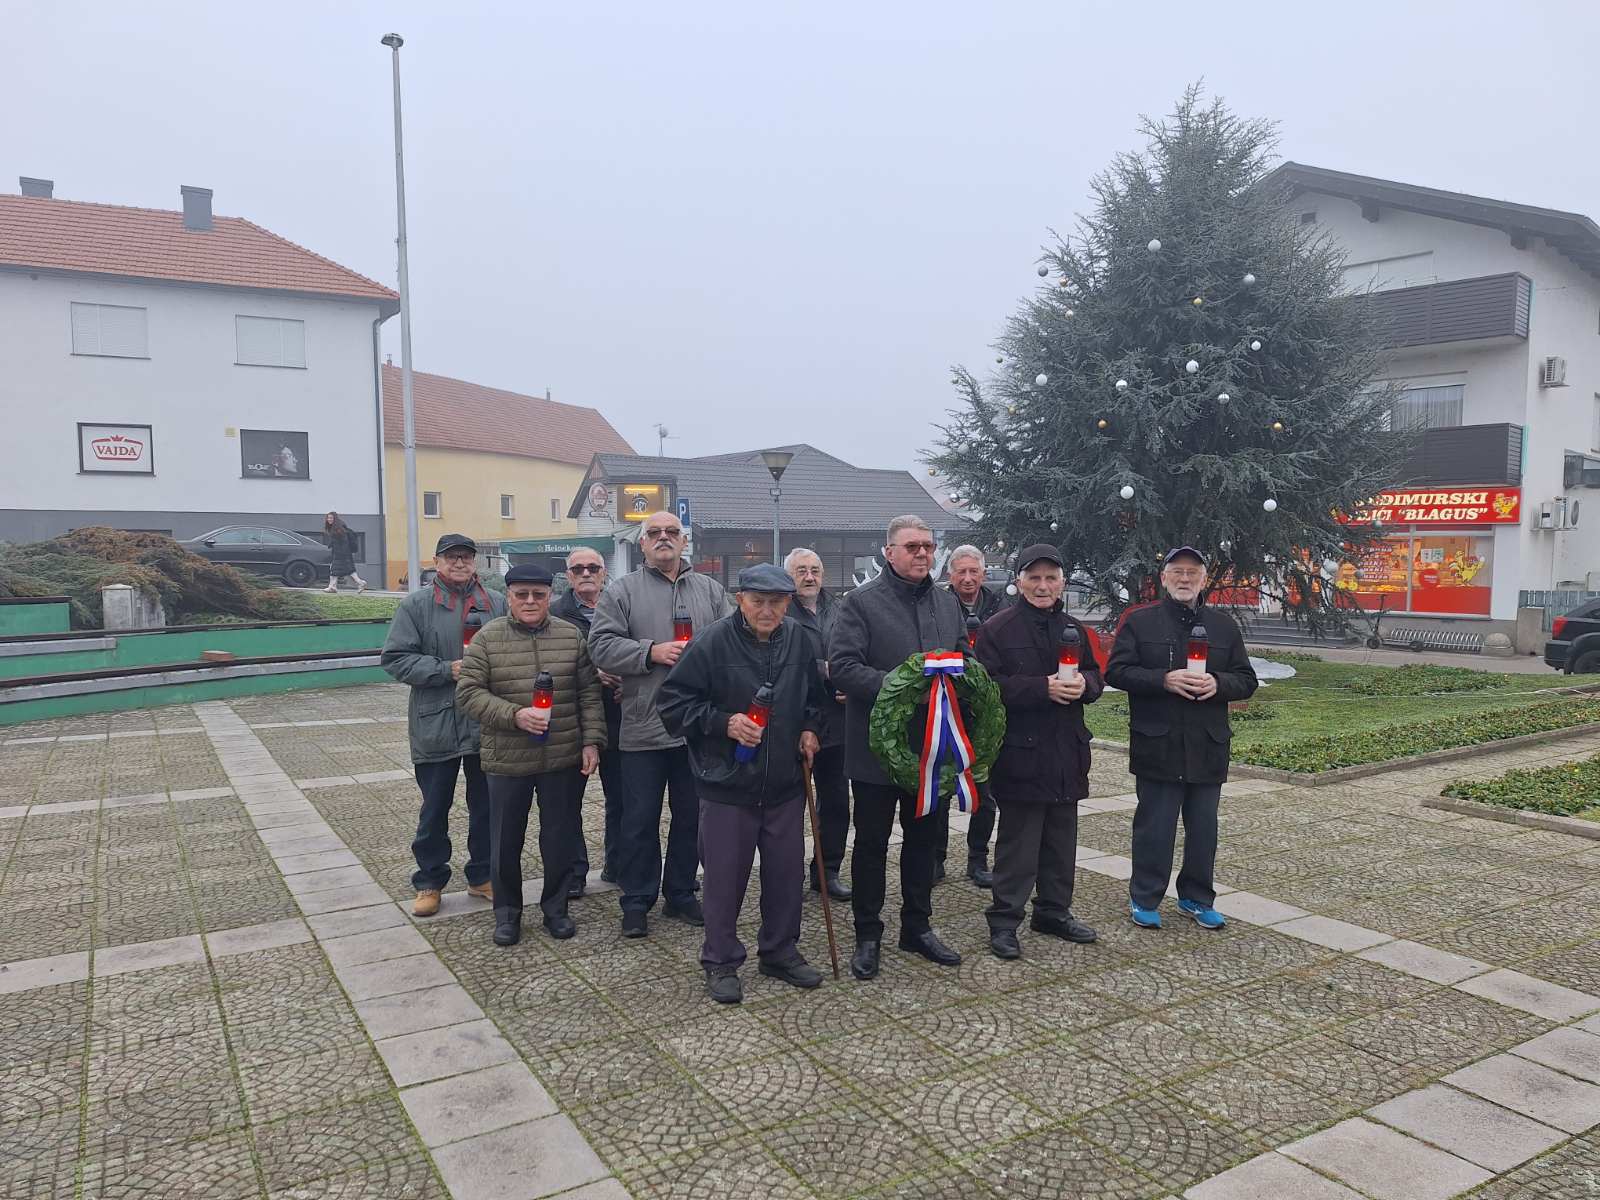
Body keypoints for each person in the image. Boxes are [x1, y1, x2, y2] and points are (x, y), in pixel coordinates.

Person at [659, 564, 828, 1003]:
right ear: (740, 599)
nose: (767, 610)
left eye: (776, 602)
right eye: (758, 601)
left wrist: (811, 728)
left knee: (786, 875)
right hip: (727, 783)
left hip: (785, 783)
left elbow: (814, 698)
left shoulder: (799, 638)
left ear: (788, 603)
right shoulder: (712, 641)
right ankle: (720, 959)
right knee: (723, 879)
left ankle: (779, 951)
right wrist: (724, 723)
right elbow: (673, 706)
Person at [828, 515, 967, 979]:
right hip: (876, 751)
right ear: (889, 552)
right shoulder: (860, 604)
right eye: (911, 547)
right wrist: (899, 685)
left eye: (928, 546)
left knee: (924, 842)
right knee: (870, 844)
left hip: (930, 748)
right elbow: (844, 667)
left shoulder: (947, 604)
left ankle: (917, 928)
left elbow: (964, 655)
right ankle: (868, 934)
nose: (922, 554)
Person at [588, 512, 731, 938]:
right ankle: (636, 900)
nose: (664, 539)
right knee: (639, 820)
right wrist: (651, 652)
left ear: (684, 541)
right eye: (655, 533)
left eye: (672, 533)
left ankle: (682, 892)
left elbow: (732, 640)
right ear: (642, 543)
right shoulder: (621, 591)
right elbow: (600, 646)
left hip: (695, 728)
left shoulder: (709, 589)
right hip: (643, 726)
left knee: (692, 817)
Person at [1105, 546, 1259, 930]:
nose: (1185, 579)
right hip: (1158, 741)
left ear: (1204, 579)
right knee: (1154, 828)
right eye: (1177, 571)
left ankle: (1196, 897)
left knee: (1204, 830)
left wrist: (1218, 683)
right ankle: (1144, 897)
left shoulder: (1224, 626)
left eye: (1193, 572)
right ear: (1164, 577)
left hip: (1208, 744)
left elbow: (1246, 680)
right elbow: (1117, 672)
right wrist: (1164, 679)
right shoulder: (1140, 622)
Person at [454, 563, 604, 944]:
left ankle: (556, 909)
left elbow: (589, 694)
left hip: (562, 756)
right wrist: (515, 715)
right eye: (522, 595)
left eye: (538, 594)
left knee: (558, 839)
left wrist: (591, 741)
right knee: (505, 841)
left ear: (550, 596)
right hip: (507, 758)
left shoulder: (571, 637)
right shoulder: (488, 638)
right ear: (509, 597)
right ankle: (507, 914)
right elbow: (468, 693)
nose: (531, 601)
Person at [973, 544, 1101, 959]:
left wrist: (1086, 685)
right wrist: (1040, 688)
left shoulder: (1075, 629)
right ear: (1018, 583)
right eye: (1034, 578)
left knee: (1061, 843)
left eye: (1051, 578)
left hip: (1067, 752)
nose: (1043, 586)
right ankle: (1005, 921)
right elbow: (986, 687)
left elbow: (1097, 677)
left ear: (1063, 583)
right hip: (1021, 755)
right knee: (1018, 845)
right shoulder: (998, 629)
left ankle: (1053, 912)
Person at [380, 534, 506, 917]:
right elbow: (395, 658)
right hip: (435, 722)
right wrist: (444, 669)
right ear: (437, 561)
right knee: (434, 808)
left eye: (466, 557)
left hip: (484, 722)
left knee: (487, 806)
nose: (459, 564)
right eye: (451, 557)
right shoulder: (417, 605)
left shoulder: (495, 603)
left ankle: (482, 875)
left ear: (475, 562)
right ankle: (429, 880)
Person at [552, 547, 625, 897]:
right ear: (568, 575)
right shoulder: (554, 614)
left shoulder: (619, 607)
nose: (586, 573)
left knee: (623, 797)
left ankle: (618, 863)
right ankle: (573, 874)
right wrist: (591, 674)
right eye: (577, 568)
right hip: (572, 718)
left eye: (593, 567)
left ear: (603, 573)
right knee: (568, 801)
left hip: (618, 715)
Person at [783, 548, 851, 901]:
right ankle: (786, 873)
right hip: (794, 722)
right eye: (801, 571)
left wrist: (851, 683)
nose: (809, 577)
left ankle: (827, 871)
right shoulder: (779, 610)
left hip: (838, 721)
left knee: (837, 802)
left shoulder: (840, 607)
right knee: (791, 805)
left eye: (815, 570)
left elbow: (855, 652)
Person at [938, 544, 1005, 887]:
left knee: (984, 791)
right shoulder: (938, 605)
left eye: (973, 572)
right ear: (950, 575)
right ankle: (935, 859)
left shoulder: (1000, 605)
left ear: (983, 573)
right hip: (945, 709)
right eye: (960, 572)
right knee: (940, 790)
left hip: (985, 713)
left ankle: (977, 859)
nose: (967, 578)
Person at [323, 512, 368, 593]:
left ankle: (332, 587)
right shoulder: (336, 527)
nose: (329, 519)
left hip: (341, 554)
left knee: (334, 569)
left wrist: (341, 553)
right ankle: (360, 583)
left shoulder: (338, 528)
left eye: (331, 518)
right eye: (328, 518)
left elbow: (344, 542)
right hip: (343, 553)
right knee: (348, 570)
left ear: (335, 519)